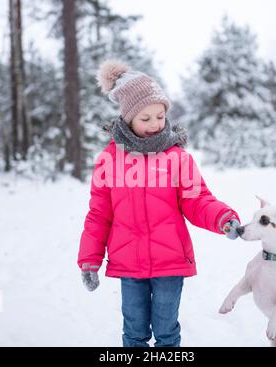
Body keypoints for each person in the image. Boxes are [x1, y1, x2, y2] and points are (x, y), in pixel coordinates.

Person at [77, 60, 241, 347]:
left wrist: (222, 218)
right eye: (145, 118)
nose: (155, 124)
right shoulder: (109, 160)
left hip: (170, 262)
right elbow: (98, 215)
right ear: (128, 118)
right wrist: (90, 259)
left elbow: (198, 199)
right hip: (128, 263)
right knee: (134, 332)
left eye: (160, 116)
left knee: (166, 332)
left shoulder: (177, 158)